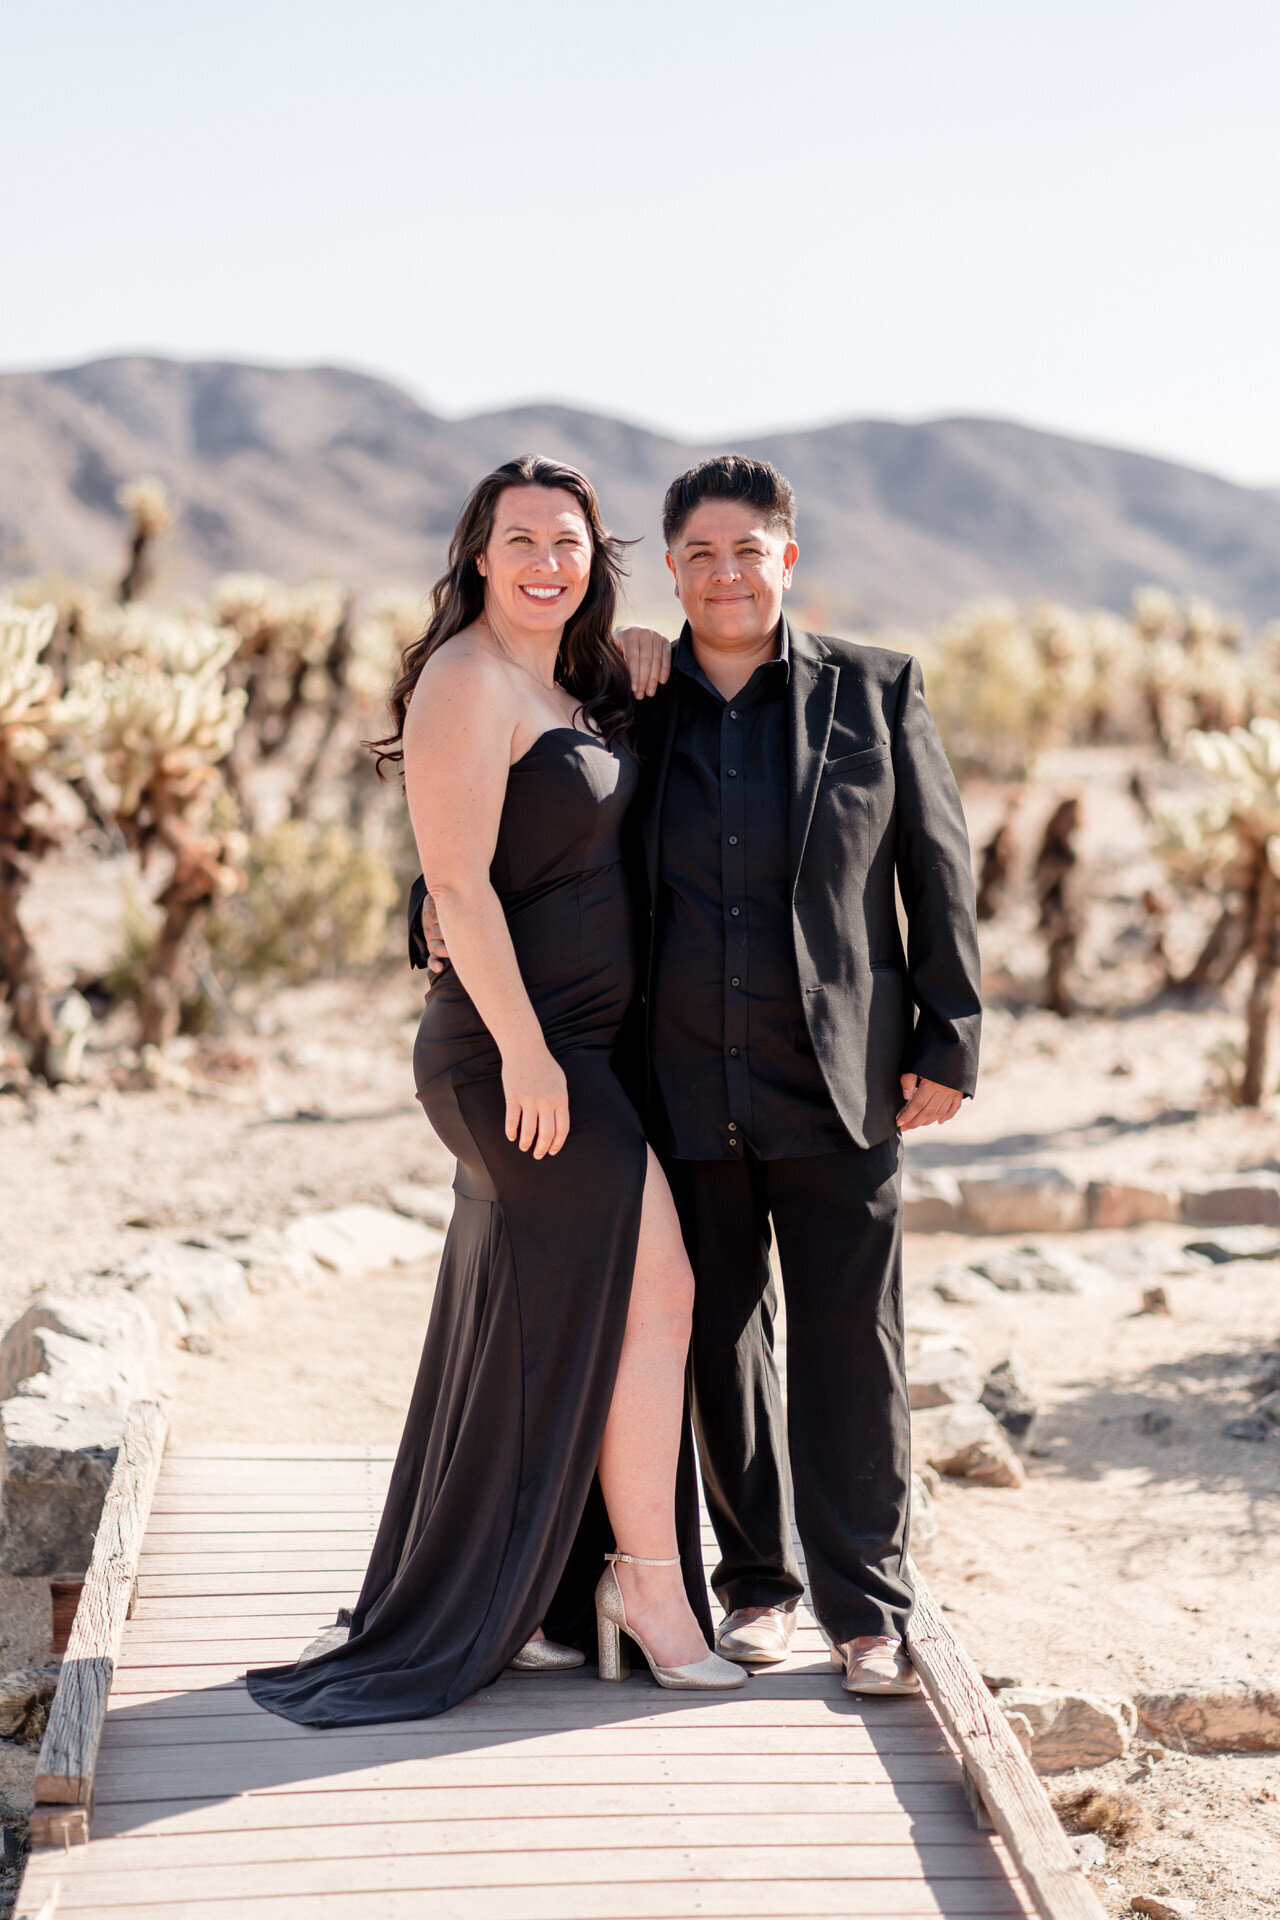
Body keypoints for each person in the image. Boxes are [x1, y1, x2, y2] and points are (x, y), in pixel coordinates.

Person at [415, 454, 981, 1695]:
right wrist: (438, 920)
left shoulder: (877, 690)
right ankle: (756, 1590)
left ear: (789, 555)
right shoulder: (630, 703)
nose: (726, 574)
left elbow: (936, 870)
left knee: (851, 1339)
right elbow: (510, 834)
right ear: (667, 573)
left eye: (749, 550)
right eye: (699, 556)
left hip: (841, 1078)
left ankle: (869, 1608)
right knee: (714, 1338)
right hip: (676, 1079)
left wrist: (950, 1036)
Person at [247, 456, 743, 1729]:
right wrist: (526, 1051)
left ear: (593, 556)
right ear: (477, 552)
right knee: (659, 1293)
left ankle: (520, 1597)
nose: (544, 561)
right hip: (512, 1054)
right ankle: (644, 1592)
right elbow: (456, 887)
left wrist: (635, 654)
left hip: (578, 1048)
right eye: (520, 538)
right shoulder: (464, 681)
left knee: (541, 1319)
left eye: (567, 542)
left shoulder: (560, 678)